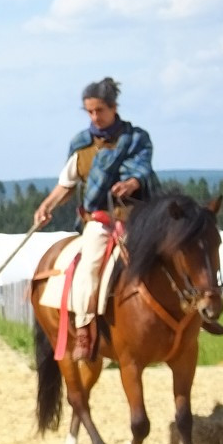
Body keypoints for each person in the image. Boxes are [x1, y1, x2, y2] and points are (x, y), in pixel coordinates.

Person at [34, 77, 159, 361]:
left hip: (140, 218)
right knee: (89, 265)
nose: (94, 117)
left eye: (99, 110)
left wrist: (132, 184)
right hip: (101, 220)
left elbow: (142, 170)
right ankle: (84, 329)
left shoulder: (137, 139)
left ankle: (194, 313)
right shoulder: (81, 144)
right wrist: (47, 204)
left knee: (175, 254)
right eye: (89, 111)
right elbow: (66, 184)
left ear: (113, 108)